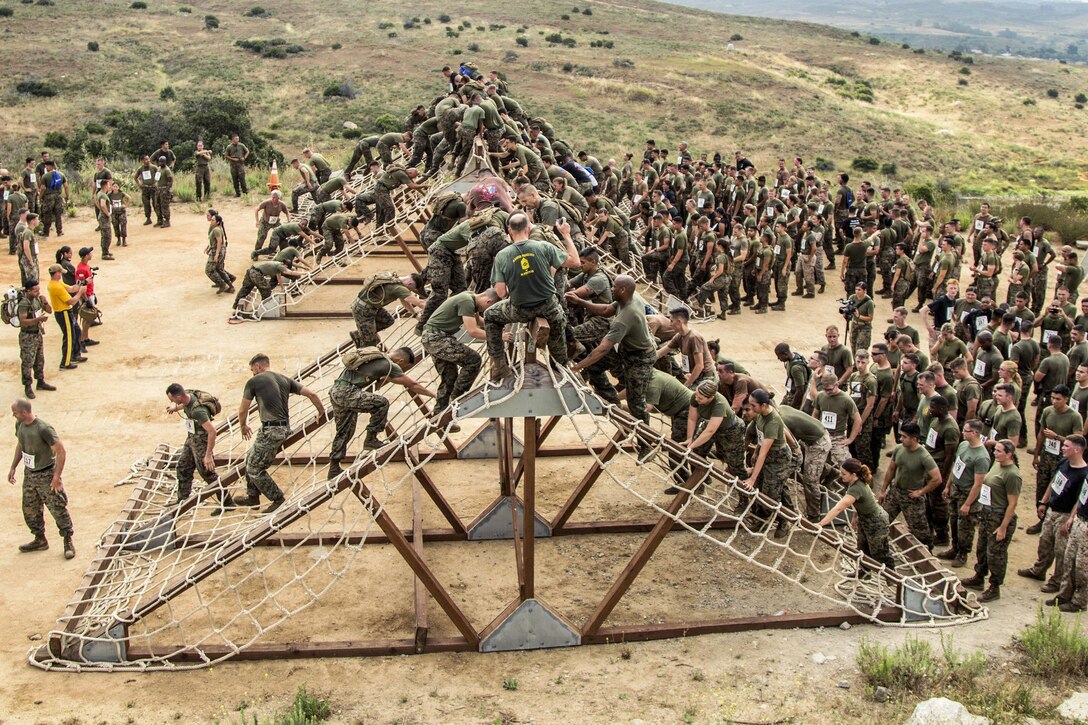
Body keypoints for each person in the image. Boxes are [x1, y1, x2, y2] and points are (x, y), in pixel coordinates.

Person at [486, 213, 580, 381]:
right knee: (558, 337)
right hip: (549, 308)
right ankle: (560, 371)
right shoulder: (544, 247)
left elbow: (501, 293)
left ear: (509, 230)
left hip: (520, 310)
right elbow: (575, 262)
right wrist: (566, 234)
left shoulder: (502, 255)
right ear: (529, 228)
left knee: (490, 316)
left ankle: (499, 366)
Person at [233, 354, 325, 513]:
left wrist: (243, 426)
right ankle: (252, 496)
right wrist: (321, 412)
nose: (252, 373)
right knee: (250, 458)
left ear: (258, 366)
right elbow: (312, 394)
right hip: (283, 428)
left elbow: (243, 409)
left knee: (255, 469)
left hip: (271, 431)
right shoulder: (284, 379)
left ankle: (277, 499)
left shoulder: (254, 381)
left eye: (252, 369)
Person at [327, 347, 435, 479]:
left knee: (345, 430)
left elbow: (391, 379)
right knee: (382, 403)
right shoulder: (389, 364)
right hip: (348, 392)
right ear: (401, 360)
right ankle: (371, 439)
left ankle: (333, 468)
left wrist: (411, 382)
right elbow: (412, 385)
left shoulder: (376, 357)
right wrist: (434, 395)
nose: (403, 369)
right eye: (405, 367)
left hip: (336, 391)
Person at [569, 274, 656, 424]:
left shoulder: (625, 317)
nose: (611, 288)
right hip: (626, 351)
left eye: (614, 286)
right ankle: (611, 402)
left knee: (636, 402)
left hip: (640, 358)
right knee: (595, 367)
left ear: (622, 290)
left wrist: (576, 367)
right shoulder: (630, 297)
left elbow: (602, 349)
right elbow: (606, 310)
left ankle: (644, 441)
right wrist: (580, 301)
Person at [1020, 435, 1088, 593]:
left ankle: (1056, 580)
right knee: (1045, 541)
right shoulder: (1064, 462)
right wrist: (1044, 501)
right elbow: (1054, 481)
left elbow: (1080, 500)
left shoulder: (1083, 474)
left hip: (1065, 514)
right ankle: (1039, 570)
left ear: (1077, 450)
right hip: (1052, 509)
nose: (1063, 448)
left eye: (1067, 446)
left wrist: (1070, 519)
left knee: (1060, 550)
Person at [7, 398, 74, 558]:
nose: (13, 416)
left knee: (57, 508)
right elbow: (21, 444)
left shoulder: (43, 428)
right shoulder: (20, 425)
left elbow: (61, 451)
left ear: (24, 412)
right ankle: (40, 539)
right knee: (30, 509)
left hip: (46, 474)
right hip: (30, 474)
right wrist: (13, 466)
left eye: (15, 413)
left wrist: (56, 477)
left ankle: (67, 540)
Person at [421, 289, 499, 418]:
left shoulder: (470, 298)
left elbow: (478, 321)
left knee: (449, 377)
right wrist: (499, 336)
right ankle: (458, 397)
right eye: (488, 307)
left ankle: (440, 414)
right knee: (473, 360)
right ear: (488, 301)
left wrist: (496, 325)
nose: (485, 310)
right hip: (436, 338)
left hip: (433, 337)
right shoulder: (466, 301)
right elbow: (473, 331)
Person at [961, 439, 1021, 602]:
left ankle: (994, 587)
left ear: (1009, 454)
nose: (995, 452)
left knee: (996, 553)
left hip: (999, 515)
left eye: (999, 451)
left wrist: (1003, 527)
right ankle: (979, 576)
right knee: (982, 547)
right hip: (987, 512)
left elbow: (1012, 503)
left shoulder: (1012, 474)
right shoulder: (997, 464)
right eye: (995, 450)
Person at [818, 458, 896, 569]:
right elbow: (857, 502)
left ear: (853, 474)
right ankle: (864, 572)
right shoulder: (855, 482)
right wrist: (855, 517)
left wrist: (821, 524)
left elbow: (838, 508)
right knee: (862, 549)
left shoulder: (857, 488)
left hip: (876, 522)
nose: (841, 476)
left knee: (879, 552)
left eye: (844, 474)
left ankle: (892, 577)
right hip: (864, 519)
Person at [165, 384, 230, 509]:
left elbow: (212, 432)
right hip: (191, 438)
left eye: (172, 399)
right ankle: (183, 500)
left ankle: (227, 502)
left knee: (206, 472)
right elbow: (184, 404)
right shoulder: (187, 395)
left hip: (201, 441)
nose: (171, 402)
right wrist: (175, 407)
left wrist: (208, 455)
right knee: (183, 467)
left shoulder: (198, 412)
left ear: (179, 397)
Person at [879, 422, 941, 548]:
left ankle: (927, 555)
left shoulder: (924, 456)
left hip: (911, 497)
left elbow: (937, 479)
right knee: (882, 521)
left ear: (914, 438)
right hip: (895, 492)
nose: (901, 439)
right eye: (901, 436)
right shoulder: (899, 449)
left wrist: (921, 492)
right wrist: (883, 490)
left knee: (920, 532)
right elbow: (891, 469)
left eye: (904, 437)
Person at [741, 389, 792, 536]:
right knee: (759, 489)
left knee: (771, 493)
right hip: (766, 454)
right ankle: (761, 519)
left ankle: (784, 521)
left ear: (763, 405)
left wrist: (752, 478)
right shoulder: (761, 415)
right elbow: (760, 438)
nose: (751, 408)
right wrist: (755, 452)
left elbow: (765, 451)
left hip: (778, 458)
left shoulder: (773, 420)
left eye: (753, 405)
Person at [681, 379, 746, 478]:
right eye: (697, 395)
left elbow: (710, 431)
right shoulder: (697, 396)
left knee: (735, 463)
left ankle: (744, 491)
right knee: (696, 453)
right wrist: (690, 438)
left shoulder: (719, 404)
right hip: (709, 423)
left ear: (711, 397)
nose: (697, 399)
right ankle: (700, 482)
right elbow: (692, 418)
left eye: (701, 398)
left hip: (731, 429)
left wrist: (691, 447)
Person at [780, 404, 832, 521]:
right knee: (808, 467)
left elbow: (791, 445)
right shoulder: (782, 408)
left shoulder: (781, 421)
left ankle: (814, 515)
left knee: (810, 481)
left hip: (818, 443)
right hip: (812, 438)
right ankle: (828, 471)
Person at [350, 272, 426, 348]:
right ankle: (363, 352)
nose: (410, 291)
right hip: (363, 310)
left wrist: (415, 314)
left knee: (388, 320)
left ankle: (362, 333)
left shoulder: (393, 279)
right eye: (411, 289)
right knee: (369, 342)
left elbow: (404, 301)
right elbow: (420, 303)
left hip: (371, 307)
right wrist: (431, 310)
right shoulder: (399, 288)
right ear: (410, 284)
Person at [15, 279, 56, 399]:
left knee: (40, 359)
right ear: (28, 291)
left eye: (38, 290)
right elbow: (23, 321)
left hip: (37, 334)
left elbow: (49, 310)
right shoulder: (24, 303)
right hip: (27, 336)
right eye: (35, 290)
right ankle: (27, 386)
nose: (38, 292)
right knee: (28, 361)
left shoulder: (38, 299)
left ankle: (40, 381)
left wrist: (45, 302)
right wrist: (38, 320)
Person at [657, 308, 716, 389]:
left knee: (685, 396)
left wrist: (687, 385)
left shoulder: (694, 338)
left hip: (705, 377)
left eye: (671, 321)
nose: (670, 324)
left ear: (679, 322)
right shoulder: (679, 336)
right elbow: (661, 352)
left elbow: (700, 366)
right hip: (693, 374)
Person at [46, 264, 85, 370]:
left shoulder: (54, 284)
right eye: (60, 273)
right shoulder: (56, 286)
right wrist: (80, 292)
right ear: (57, 273)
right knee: (69, 337)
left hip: (63, 313)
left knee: (75, 332)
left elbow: (72, 289)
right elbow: (71, 301)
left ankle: (73, 356)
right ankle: (65, 363)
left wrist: (81, 284)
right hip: (64, 313)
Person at [232, 259, 304, 313]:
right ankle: (264, 309)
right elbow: (289, 272)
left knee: (245, 289)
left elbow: (279, 278)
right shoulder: (280, 266)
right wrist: (304, 273)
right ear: (286, 265)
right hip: (256, 273)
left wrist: (282, 288)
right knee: (266, 290)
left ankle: (236, 306)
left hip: (250, 271)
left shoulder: (277, 265)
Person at [36, 161, 68, 237]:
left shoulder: (45, 176)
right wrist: (67, 196)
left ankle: (46, 232)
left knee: (47, 214)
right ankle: (59, 231)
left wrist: (40, 198)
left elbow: (42, 188)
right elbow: (66, 186)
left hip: (48, 197)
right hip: (58, 196)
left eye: (47, 166)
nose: (46, 168)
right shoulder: (61, 174)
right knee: (58, 215)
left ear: (51, 166)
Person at [206, 211, 233, 294]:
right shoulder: (216, 228)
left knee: (209, 270)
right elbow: (214, 241)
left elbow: (219, 242)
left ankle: (222, 284)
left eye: (213, 220)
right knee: (219, 269)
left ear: (217, 222)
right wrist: (209, 247)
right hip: (217, 250)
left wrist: (216, 254)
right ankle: (230, 285)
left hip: (217, 251)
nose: (211, 221)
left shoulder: (216, 229)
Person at [106, 180, 131, 248]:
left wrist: (125, 205)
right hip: (114, 212)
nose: (115, 188)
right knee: (115, 226)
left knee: (123, 225)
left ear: (119, 187)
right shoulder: (109, 194)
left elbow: (129, 198)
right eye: (114, 186)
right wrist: (110, 206)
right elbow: (106, 201)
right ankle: (118, 239)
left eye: (116, 186)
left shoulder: (121, 193)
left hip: (121, 211)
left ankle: (124, 240)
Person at [133, 155, 157, 225]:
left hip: (153, 188)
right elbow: (135, 177)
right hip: (145, 188)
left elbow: (159, 173)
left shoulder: (153, 167)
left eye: (148, 159)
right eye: (146, 159)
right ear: (142, 161)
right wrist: (139, 184)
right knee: (146, 204)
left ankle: (159, 218)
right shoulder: (140, 169)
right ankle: (148, 218)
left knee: (155, 203)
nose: (148, 161)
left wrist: (156, 182)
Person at [153, 156, 173, 228]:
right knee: (157, 205)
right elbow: (156, 179)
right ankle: (160, 220)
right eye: (159, 161)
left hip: (164, 189)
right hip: (159, 189)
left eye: (162, 161)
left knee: (164, 206)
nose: (160, 163)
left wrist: (167, 190)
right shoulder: (159, 169)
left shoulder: (167, 170)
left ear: (165, 162)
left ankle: (167, 221)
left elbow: (170, 181)